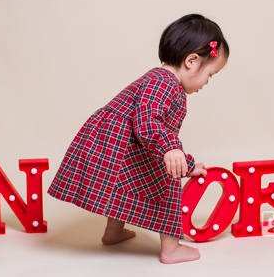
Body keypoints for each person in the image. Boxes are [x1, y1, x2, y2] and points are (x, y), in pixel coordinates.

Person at [48, 14, 229, 264]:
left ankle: (114, 232)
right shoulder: (164, 83)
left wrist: (185, 163)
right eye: (210, 74)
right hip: (123, 145)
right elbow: (148, 124)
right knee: (167, 184)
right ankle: (171, 249)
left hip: (118, 144)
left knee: (123, 187)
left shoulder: (159, 79)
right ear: (192, 61)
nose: (207, 82)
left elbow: (151, 129)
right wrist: (172, 151)